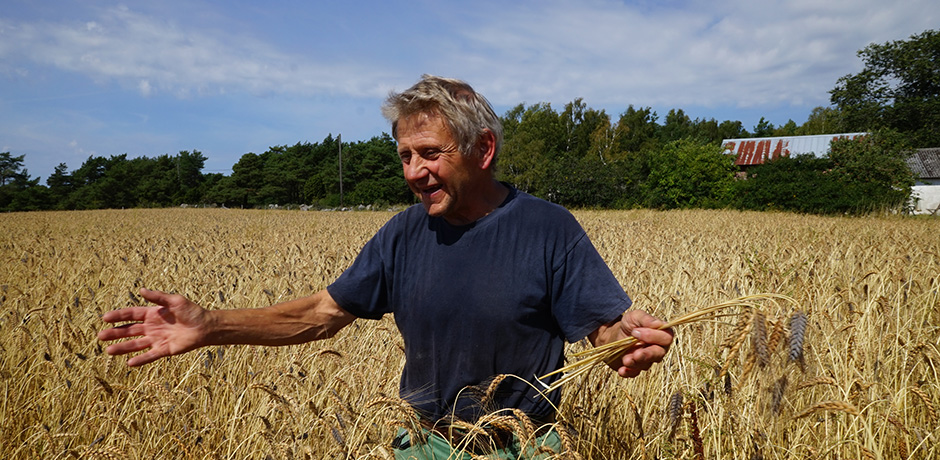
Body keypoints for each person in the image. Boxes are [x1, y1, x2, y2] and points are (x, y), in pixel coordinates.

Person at [98, 75, 674, 459]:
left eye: (430, 154)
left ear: (484, 150)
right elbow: (323, 314)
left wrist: (630, 338)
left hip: (522, 447)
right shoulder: (403, 234)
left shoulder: (548, 229)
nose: (413, 172)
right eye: (404, 156)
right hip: (424, 446)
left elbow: (604, 327)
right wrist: (210, 326)